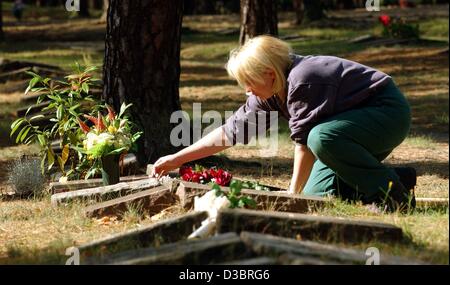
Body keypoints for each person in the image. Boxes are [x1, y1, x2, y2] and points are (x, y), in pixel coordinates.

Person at [151, 35, 416, 212]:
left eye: (249, 82)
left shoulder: (304, 78)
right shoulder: (270, 89)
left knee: (319, 139)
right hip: (348, 132)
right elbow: (230, 133)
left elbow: (305, 145)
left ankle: (395, 199)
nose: (247, 91)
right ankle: (395, 180)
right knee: (317, 195)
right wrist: (177, 158)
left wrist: (290, 197)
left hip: (387, 115)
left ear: (268, 73)